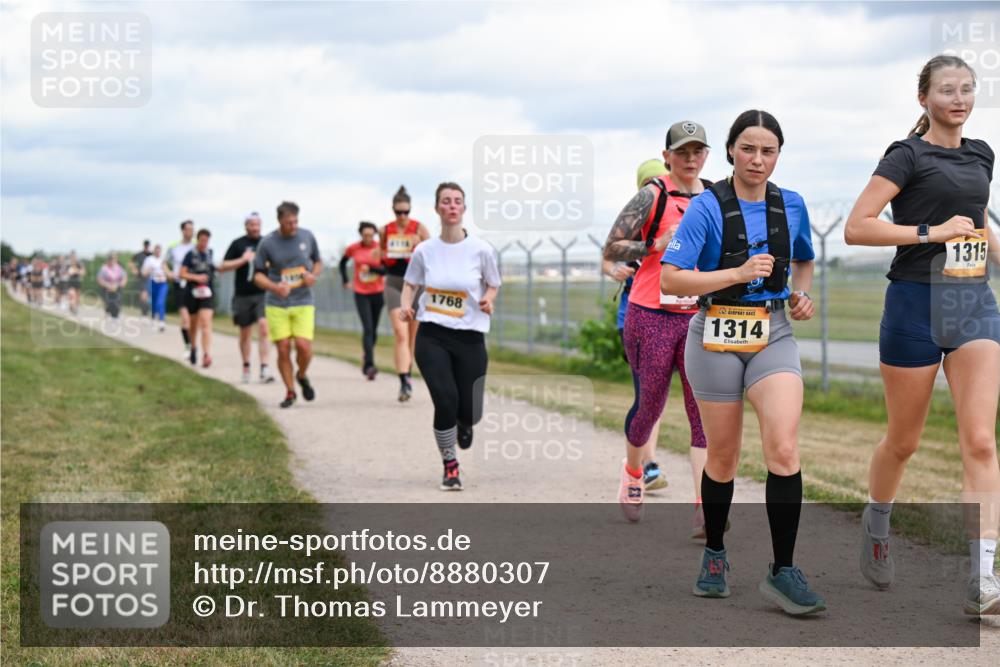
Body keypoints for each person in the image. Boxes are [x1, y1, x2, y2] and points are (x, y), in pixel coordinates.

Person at [844, 55, 1000, 616]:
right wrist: (930, 232)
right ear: (924, 99)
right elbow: (857, 226)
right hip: (912, 303)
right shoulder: (905, 155)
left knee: (981, 440)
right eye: (947, 90)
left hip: (973, 303)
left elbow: (980, 222)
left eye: (967, 89)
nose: (959, 98)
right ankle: (878, 519)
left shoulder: (982, 153)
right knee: (903, 441)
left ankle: (982, 579)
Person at [661, 110, 825, 616]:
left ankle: (783, 570)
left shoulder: (790, 204)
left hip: (772, 332)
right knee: (724, 457)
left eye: (768, 150)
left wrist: (800, 294)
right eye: (749, 148)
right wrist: (734, 270)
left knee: (783, 446)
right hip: (714, 333)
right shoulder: (708, 207)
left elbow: (804, 259)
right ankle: (715, 554)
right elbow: (671, 279)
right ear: (731, 150)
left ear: (778, 155)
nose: (758, 159)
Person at [603, 125, 711, 533]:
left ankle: (706, 506)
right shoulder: (652, 195)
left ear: (706, 155)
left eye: (697, 150)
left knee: (702, 411)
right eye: (682, 151)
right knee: (650, 404)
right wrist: (656, 243)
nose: (689, 158)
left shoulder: (716, 196)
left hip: (700, 313)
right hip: (651, 313)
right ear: (667, 156)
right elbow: (613, 248)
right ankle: (633, 473)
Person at [400, 182, 501, 491]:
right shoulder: (424, 250)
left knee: (470, 409)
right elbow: (410, 284)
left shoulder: (481, 249)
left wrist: (488, 298)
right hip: (432, 335)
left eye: (457, 201)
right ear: (437, 208)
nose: (452, 206)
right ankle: (450, 465)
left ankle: (464, 422)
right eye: (446, 201)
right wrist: (405, 305)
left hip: (470, 336)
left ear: (464, 209)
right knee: (445, 399)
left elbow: (493, 283)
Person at [253, 201, 323, 408]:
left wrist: (313, 275)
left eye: (295, 221)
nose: (293, 226)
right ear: (280, 221)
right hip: (277, 303)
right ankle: (290, 391)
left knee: (303, 346)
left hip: (303, 301)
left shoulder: (307, 236)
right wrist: (275, 287)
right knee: (283, 348)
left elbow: (318, 262)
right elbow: (257, 275)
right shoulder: (267, 243)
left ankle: (301, 375)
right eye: (288, 222)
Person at [382, 186, 431, 401]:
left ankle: (409, 375)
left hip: (416, 285)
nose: (402, 217)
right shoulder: (385, 230)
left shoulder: (419, 228)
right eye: (398, 212)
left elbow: (433, 255)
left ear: (410, 210)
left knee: (412, 337)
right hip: (394, 282)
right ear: (393, 210)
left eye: (406, 212)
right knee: (400, 333)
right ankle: (404, 382)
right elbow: (380, 257)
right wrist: (382, 253)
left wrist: (420, 245)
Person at [220, 213, 274, 384]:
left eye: (257, 224)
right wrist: (243, 260)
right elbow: (223, 266)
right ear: (246, 226)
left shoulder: (267, 243)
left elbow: (275, 263)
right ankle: (246, 365)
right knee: (245, 333)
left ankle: (265, 368)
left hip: (263, 293)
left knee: (264, 328)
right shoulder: (238, 244)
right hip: (243, 294)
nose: (255, 227)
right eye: (251, 224)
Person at [340, 221, 386, 379]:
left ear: (374, 234)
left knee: (373, 330)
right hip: (361, 292)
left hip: (378, 293)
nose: (368, 237)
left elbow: (385, 270)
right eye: (365, 235)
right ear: (361, 235)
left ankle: (366, 356)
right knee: (367, 328)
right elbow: (342, 262)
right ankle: (370, 365)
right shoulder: (354, 248)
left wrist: (371, 269)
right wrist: (345, 280)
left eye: (370, 235)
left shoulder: (379, 248)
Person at [179, 229, 216, 367]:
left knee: (206, 322)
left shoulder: (210, 254)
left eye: (206, 240)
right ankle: (193, 347)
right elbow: (181, 273)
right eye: (202, 240)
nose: (204, 243)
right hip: (192, 292)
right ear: (198, 240)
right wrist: (196, 277)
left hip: (206, 293)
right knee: (193, 324)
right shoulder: (190, 255)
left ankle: (207, 354)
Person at [165, 221, 195, 357]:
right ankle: (188, 346)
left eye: (192, 229)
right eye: (188, 229)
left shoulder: (196, 245)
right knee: (185, 318)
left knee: (194, 319)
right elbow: (164, 263)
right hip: (179, 284)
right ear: (183, 231)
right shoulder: (174, 247)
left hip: (193, 284)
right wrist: (169, 273)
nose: (191, 231)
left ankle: (194, 345)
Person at [142, 244, 169, 331]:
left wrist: (166, 272)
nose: (158, 252)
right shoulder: (149, 260)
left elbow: (167, 272)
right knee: (153, 303)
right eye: (156, 251)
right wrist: (150, 270)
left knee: (160, 302)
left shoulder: (163, 260)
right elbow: (144, 273)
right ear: (154, 251)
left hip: (162, 283)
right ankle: (153, 318)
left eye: (159, 251)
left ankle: (161, 322)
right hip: (153, 282)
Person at [96, 253, 127, 319]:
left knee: (117, 302)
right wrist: (106, 285)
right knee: (109, 302)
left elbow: (124, 278)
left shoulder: (120, 268)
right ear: (108, 260)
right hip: (106, 288)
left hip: (117, 287)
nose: (112, 261)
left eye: (114, 259)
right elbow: (99, 279)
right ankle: (108, 311)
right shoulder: (104, 268)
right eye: (111, 259)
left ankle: (115, 316)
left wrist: (119, 285)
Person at [131, 240, 153, 318]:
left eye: (148, 245)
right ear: (144, 246)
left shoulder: (151, 255)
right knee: (143, 296)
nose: (147, 247)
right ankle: (144, 313)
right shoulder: (139, 254)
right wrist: (134, 270)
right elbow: (131, 262)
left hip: (150, 278)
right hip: (141, 278)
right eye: (145, 245)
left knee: (149, 297)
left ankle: (147, 312)